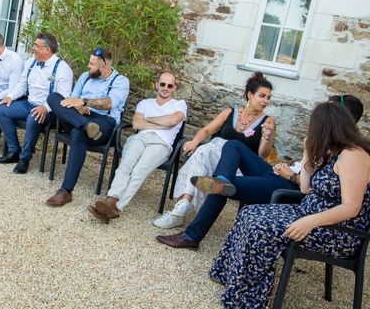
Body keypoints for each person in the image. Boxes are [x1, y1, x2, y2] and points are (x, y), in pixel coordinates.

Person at [207, 101, 370, 309]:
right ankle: (231, 277)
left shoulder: (354, 155)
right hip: (308, 215)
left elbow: (352, 207)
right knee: (249, 213)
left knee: (260, 227)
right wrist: (308, 151)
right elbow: (305, 187)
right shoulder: (336, 152)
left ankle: (247, 298)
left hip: (334, 232)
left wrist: (310, 221)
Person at [156, 94, 366, 249]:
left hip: (285, 186)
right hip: (278, 173)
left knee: (223, 189)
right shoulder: (331, 142)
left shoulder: (345, 153)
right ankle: (222, 179)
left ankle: (192, 236)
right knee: (233, 146)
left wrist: (293, 171)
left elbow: (309, 188)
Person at [154, 72, 275, 229]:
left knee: (204, 152)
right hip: (212, 158)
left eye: (268, 98)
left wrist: (267, 136)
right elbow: (206, 131)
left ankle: (182, 207)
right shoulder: (230, 112)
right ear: (250, 95)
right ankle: (184, 205)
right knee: (202, 152)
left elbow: (262, 155)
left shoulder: (268, 121)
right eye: (262, 96)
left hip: (238, 167)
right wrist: (194, 141)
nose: (265, 101)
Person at [87, 72, 187, 223]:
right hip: (140, 138)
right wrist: (162, 123)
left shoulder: (179, 104)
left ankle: (115, 207)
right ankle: (111, 199)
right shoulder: (145, 103)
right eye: (162, 84)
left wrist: (149, 119)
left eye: (170, 85)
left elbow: (173, 120)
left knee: (139, 171)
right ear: (156, 84)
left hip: (161, 143)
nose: (165, 88)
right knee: (125, 166)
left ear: (174, 88)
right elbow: (136, 124)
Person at [44, 48, 130, 206]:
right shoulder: (85, 76)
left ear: (103, 67)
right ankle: (85, 126)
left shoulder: (120, 81)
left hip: (104, 123)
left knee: (78, 134)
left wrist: (84, 102)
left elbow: (109, 103)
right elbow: (72, 99)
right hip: (81, 117)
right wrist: (77, 106)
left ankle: (65, 191)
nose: (88, 66)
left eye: (92, 64)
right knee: (53, 98)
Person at [0, 32, 73, 167]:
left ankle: (24, 158)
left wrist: (46, 107)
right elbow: (22, 85)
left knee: (33, 118)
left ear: (47, 49)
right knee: (1, 110)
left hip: (50, 111)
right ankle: (13, 151)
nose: (33, 48)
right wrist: (10, 97)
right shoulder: (31, 62)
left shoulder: (62, 68)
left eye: (36, 45)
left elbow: (63, 97)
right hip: (29, 104)